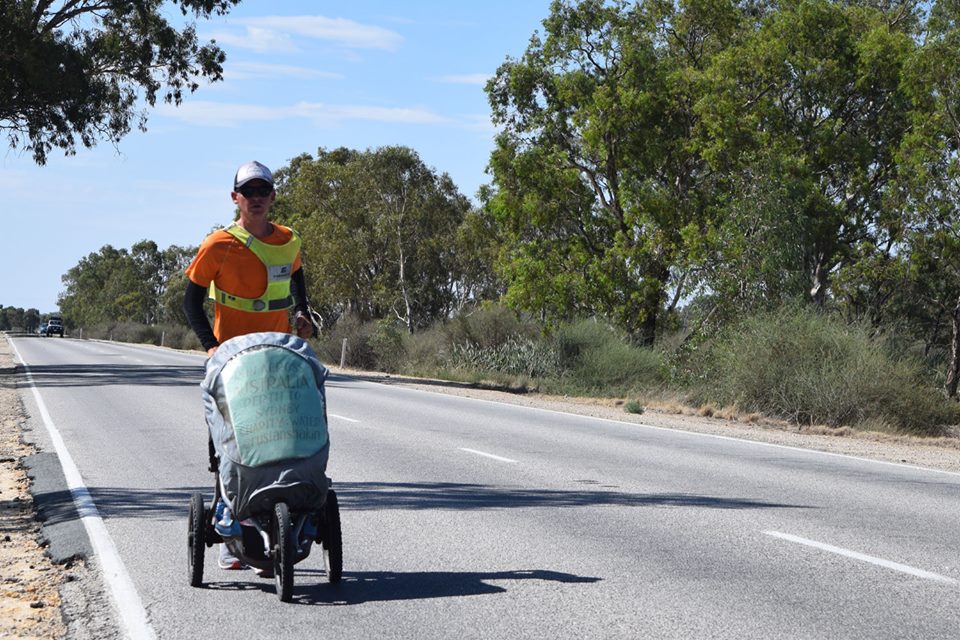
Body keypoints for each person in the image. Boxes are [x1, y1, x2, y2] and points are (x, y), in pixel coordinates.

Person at [184, 160, 315, 570]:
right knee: (232, 442)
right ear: (235, 198)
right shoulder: (218, 245)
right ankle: (230, 526)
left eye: (263, 191)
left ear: (272, 196)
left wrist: (303, 312)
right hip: (231, 362)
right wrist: (210, 347)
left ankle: (283, 517)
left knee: (282, 439)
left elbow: (297, 279)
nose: (256, 198)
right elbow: (191, 301)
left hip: (277, 358)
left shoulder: (288, 240)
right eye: (248, 192)